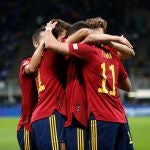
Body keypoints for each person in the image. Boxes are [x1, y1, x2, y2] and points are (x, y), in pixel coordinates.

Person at [44, 21, 134, 150]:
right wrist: (114, 40)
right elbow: (128, 84)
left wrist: (48, 29)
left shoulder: (86, 50)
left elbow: (52, 44)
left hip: (100, 116)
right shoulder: (114, 54)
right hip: (120, 117)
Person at [26, 19, 71, 150]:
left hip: (44, 115)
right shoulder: (51, 53)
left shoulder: (41, 59)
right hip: (50, 114)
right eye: (64, 37)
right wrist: (48, 31)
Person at [17, 26, 45, 150]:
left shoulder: (53, 64)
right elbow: (31, 68)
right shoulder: (26, 62)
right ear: (35, 43)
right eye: (45, 40)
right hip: (28, 127)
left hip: (45, 123)